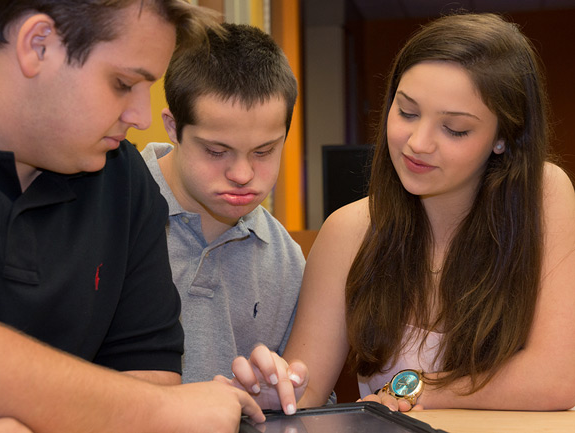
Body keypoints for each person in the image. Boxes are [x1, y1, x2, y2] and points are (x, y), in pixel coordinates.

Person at [0, 1, 265, 432]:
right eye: (123, 83)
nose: (141, 118)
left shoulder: (124, 180)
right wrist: (152, 412)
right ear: (38, 45)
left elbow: (147, 375)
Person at [228, 12, 575, 413]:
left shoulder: (544, 195)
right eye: (407, 112)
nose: (418, 142)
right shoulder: (348, 231)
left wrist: (416, 389)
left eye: (455, 129)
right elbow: (306, 387)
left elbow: (556, 379)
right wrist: (276, 394)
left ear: (503, 138)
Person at [140, 23, 304, 388]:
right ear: (172, 126)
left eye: (264, 151)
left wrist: (280, 397)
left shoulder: (286, 261)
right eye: (216, 151)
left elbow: (307, 402)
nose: (243, 174)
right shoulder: (107, 211)